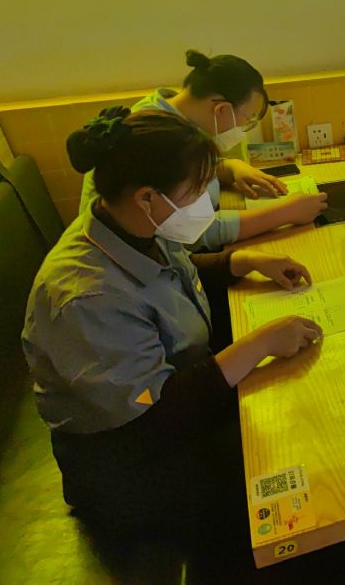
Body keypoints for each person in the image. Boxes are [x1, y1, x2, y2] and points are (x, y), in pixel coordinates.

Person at [24, 108, 323, 533]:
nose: (203, 201)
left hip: (177, 409)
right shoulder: (87, 297)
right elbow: (154, 417)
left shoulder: (124, 224)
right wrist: (259, 344)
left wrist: (241, 262)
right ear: (147, 197)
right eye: (196, 190)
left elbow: (170, 276)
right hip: (130, 468)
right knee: (299, 453)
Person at [78, 50, 327, 251]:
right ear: (221, 110)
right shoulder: (158, 138)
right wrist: (285, 213)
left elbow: (180, 177)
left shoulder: (171, 115)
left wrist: (229, 168)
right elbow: (194, 232)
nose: (243, 128)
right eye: (247, 119)